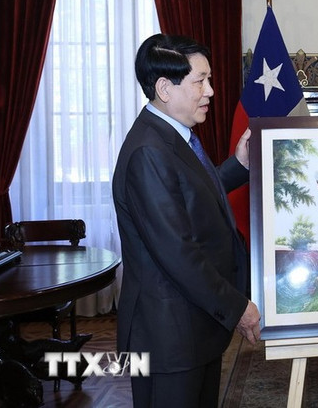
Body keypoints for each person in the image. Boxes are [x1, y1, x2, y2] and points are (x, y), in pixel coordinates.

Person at [112, 34, 261, 408]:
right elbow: (179, 252)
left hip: (192, 327)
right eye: (200, 81)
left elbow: (193, 195)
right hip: (168, 338)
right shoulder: (149, 151)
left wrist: (238, 165)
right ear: (165, 88)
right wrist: (238, 307)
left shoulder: (172, 137)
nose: (210, 91)